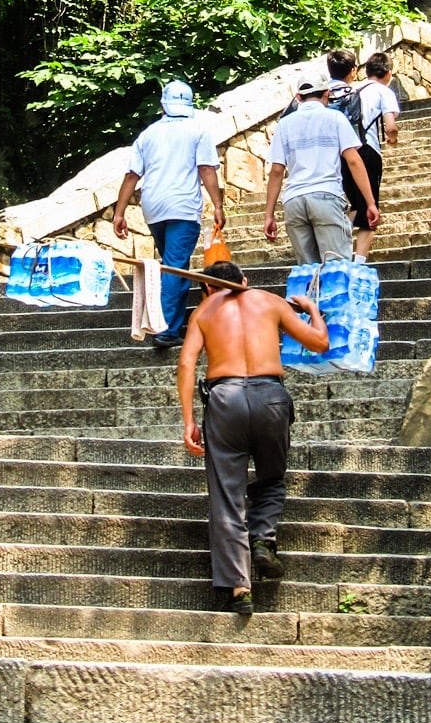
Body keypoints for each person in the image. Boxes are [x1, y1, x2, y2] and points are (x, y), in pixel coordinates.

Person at [177, 259, 328, 615]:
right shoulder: (270, 301)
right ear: (244, 280)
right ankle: (262, 538)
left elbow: (186, 363)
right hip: (271, 396)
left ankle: (239, 587)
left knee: (227, 493)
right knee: (271, 477)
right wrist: (310, 309)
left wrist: (188, 421)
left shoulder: (204, 310)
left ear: (206, 287)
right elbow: (320, 343)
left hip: (224, 398)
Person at [113, 80, 225, 350]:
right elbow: (207, 170)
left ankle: (168, 321)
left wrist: (119, 213)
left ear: (163, 104)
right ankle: (166, 329)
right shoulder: (198, 129)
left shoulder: (148, 134)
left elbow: (132, 175)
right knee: (174, 266)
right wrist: (218, 205)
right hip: (183, 206)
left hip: (153, 207)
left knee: (171, 264)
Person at [264, 72, 379, 263]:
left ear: (298, 97)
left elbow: (277, 171)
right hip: (326, 195)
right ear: (326, 93)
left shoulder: (284, 125)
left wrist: (269, 215)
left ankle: (310, 294)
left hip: (294, 200)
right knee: (337, 266)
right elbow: (353, 161)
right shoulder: (335, 118)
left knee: (308, 271)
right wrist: (370, 202)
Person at [340, 52, 400, 261]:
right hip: (367, 152)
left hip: (344, 153)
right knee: (370, 208)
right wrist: (392, 139)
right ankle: (359, 262)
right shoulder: (383, 91)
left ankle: (341, 237)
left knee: (356, 204)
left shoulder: (351, 89)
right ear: (388, 73)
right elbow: (390, 125)